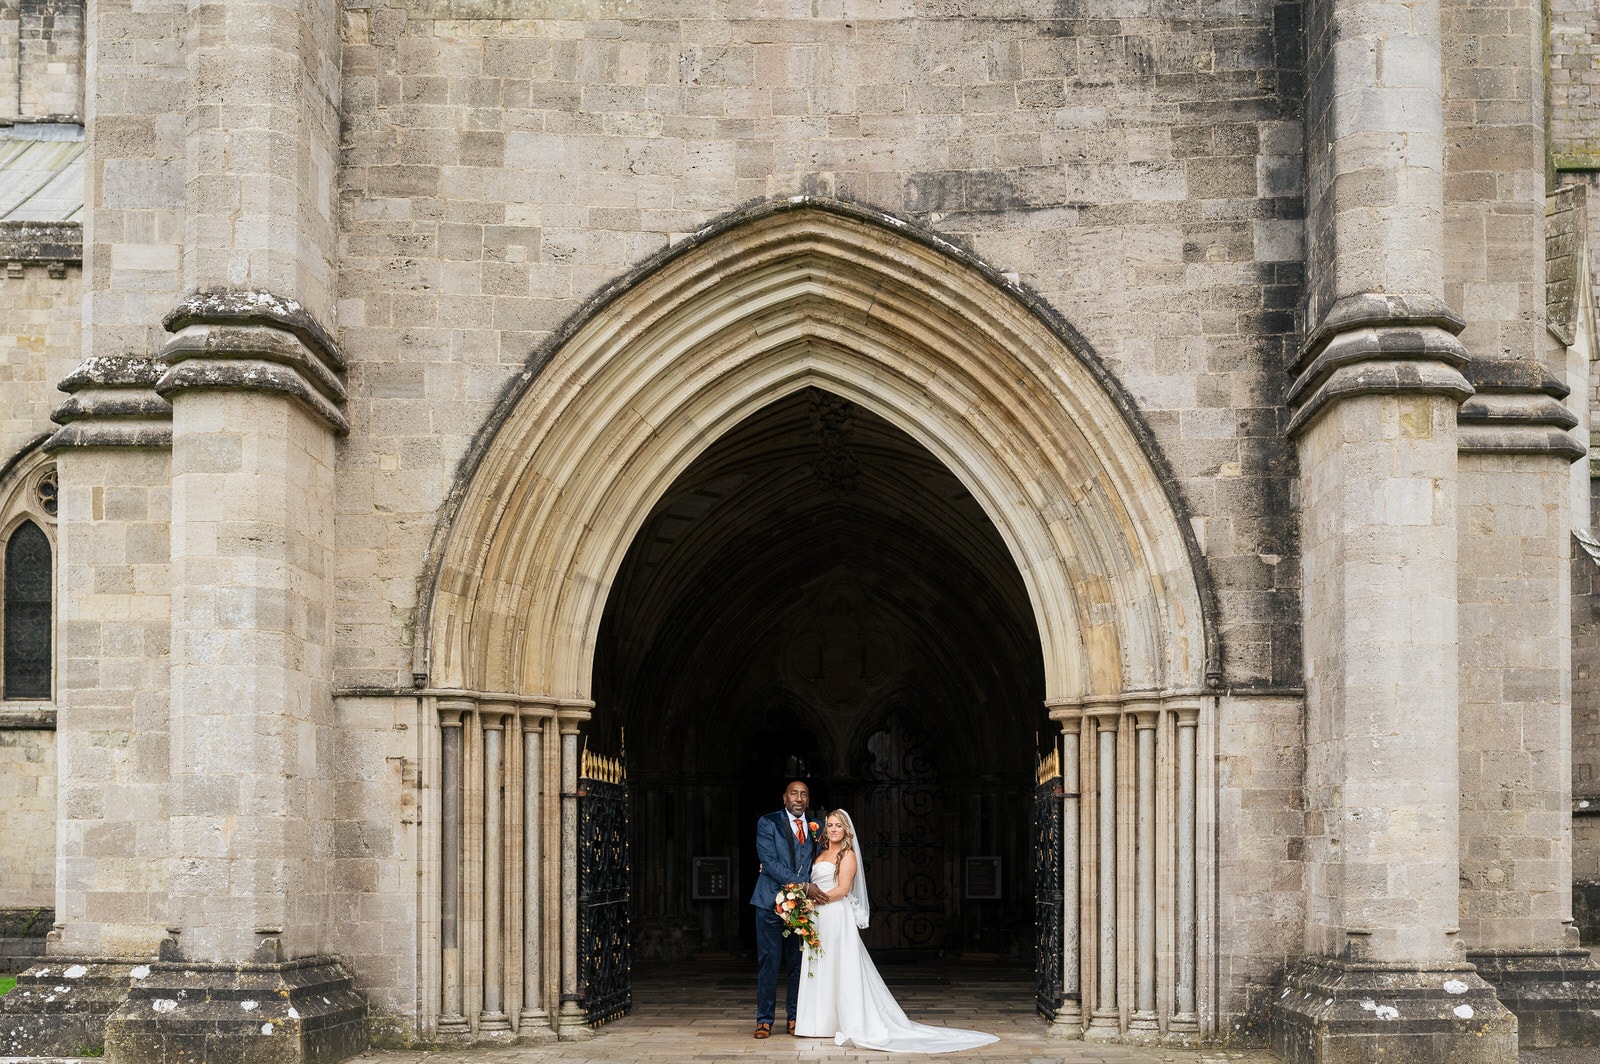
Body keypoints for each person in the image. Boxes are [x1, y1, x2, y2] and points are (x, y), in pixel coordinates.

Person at [794, 809, 998, 1053]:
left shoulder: (847, 855)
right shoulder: (821, 853)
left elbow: (843, 889)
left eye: (838, 825)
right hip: (818, 917)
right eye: (830, 825)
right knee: (819, 964)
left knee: (840, 965)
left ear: (846, 830)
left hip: (835, 913)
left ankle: (846, 1020)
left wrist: (812, 901)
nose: (833, 829)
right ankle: (819, 1023)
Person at [749, 779, 819, 1039]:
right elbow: (768, 862)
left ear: (808, 800)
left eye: (803, 794)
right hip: (769, 902)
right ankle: (764, 1019)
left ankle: (795, 1017)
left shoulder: (816, 828)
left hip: (801, 907)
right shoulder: (768, 822)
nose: (799, 798)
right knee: (769, 962)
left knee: (798, 964)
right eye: (794, 794)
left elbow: (821, 859)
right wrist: (804, 885)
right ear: (784, 798)